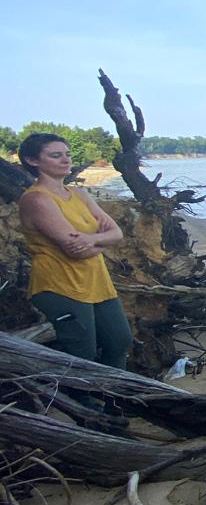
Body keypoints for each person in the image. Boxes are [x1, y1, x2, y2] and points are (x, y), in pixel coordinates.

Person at [17, 133, 133, 369]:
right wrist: (102, 241)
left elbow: (118, 233)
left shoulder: (78, 194)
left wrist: (91, 239)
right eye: (56, 155)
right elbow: (76, 251)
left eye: (67, 154)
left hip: (97, 282)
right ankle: (83, 402)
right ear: (33, 161)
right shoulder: (37, 199)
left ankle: (113, 399)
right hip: (59, 285)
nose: (65, 160)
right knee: (81, 352)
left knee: (119, 341)